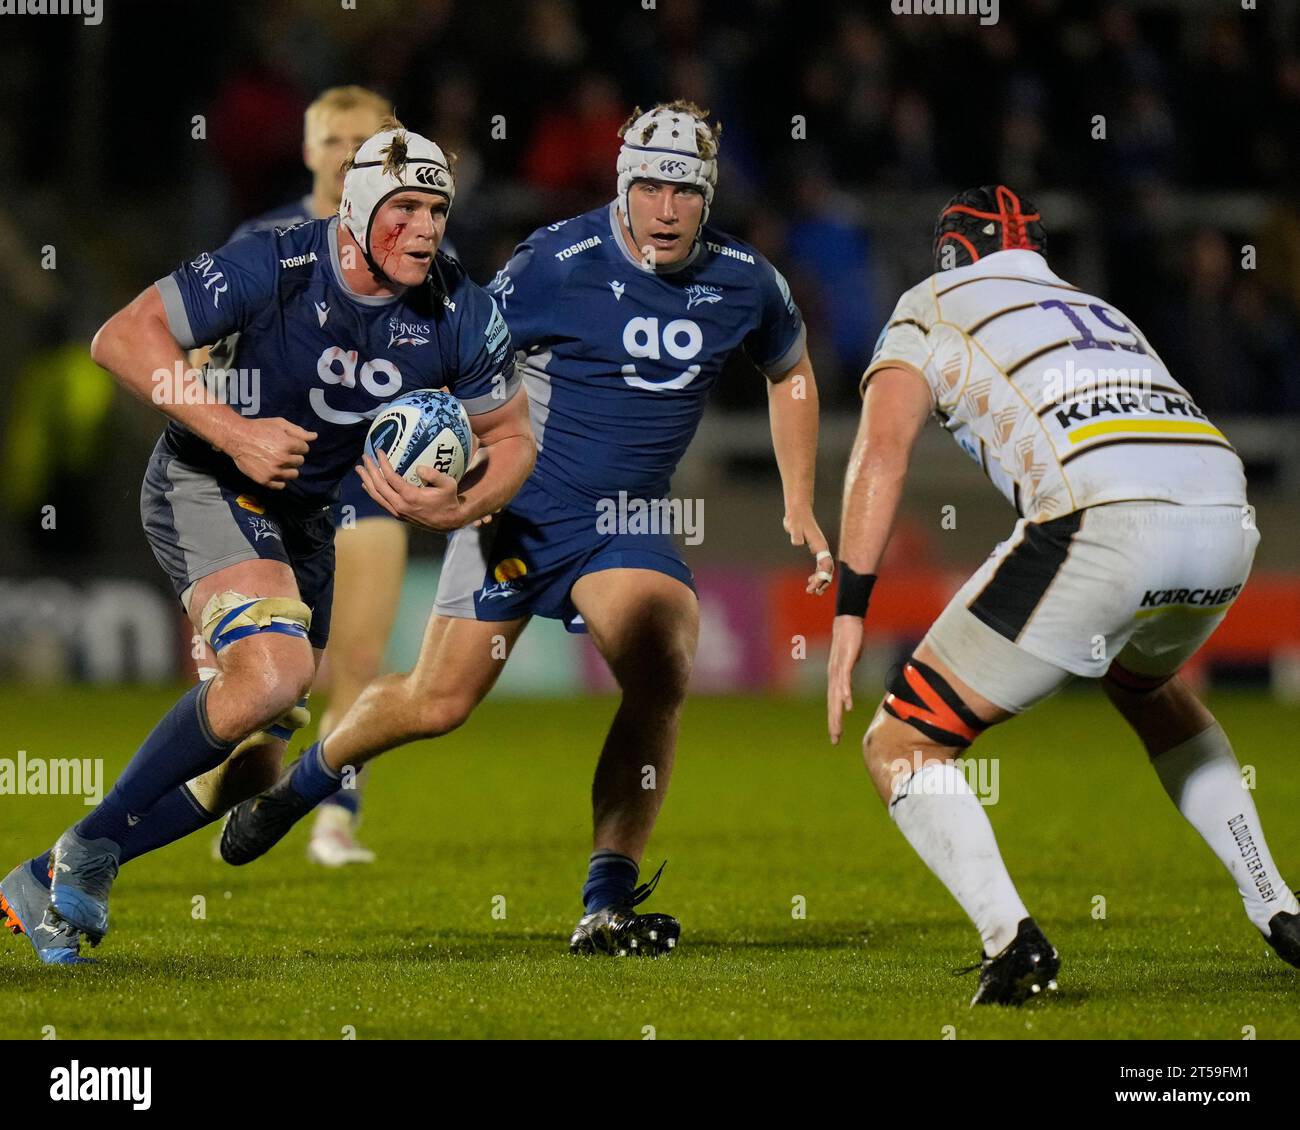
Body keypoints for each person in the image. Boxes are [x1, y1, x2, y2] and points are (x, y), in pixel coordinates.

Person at [219, 100, 835, 957]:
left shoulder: (745, 281)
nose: (665, 207)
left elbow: (791, 371)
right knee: (435, 704)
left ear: (708, 196)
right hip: (517, 510)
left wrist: (798, 498)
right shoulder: (556, 260)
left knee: (661, 661)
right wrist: (424, 455)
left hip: (626, 523)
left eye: (684, 191)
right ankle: (301, 789)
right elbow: (460, 348)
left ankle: (605, 902)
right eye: (649, 185)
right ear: (623, 184)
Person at [0, 122, 534, 964]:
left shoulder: (460, 307)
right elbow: (122, 336)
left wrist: (460, 505)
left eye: (437, 209)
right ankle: (87, 852)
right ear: (357, 210)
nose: (427, 228)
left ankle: (49, 870)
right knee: (276, 674)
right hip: (207, 481)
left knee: (250, 771)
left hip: (304, 521)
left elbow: (512, 437)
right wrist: (233, 429)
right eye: (405, 208)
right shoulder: (275, 261)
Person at [826, 184, 1300, 1004]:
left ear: (950, 253)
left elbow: (881, 450)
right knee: (1148, 690)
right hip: (1227, 511)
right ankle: (1277, 902)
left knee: (903, 742)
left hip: (1104, 521)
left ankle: (1012, 942)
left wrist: (848, 607)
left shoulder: (929, 300)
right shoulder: (1098, 308)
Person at [207, 85, 434, 867]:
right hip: (275, 479)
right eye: (333, 141)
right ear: (309, 151)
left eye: (362, 142)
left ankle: (336, 816)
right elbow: (203, 347)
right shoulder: (266, 237)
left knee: (360, 660)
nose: (345, 155)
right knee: (285, 666)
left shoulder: (420, 251)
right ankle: (244, 771)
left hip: (366, 478)